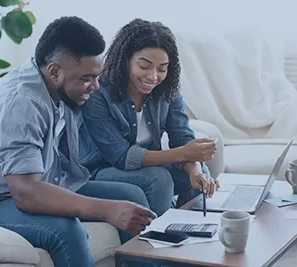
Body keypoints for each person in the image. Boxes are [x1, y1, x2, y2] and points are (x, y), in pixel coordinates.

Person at [0, 16, 157, 267]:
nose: (95, 86)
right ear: (54, 71)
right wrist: (107, 209)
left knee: (131, 195)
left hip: (38, 180)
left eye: (97, 77)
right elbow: (26, 193)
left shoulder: (57, 88)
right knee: (65, 228)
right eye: (86, 78)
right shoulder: (21, 103)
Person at [78, 18, 220, 217]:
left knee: (199, 173)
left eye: (162, 69)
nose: (153, 77)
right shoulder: (99, 92)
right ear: (126, 59)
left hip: (141, 168)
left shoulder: (167, 89)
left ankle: (187, 233)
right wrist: (185, 153)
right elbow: (121, 157)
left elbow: (181, 136)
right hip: (99, 171)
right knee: (159, 178)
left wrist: (195, 170)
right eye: (144, 66)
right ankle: (156, 242)